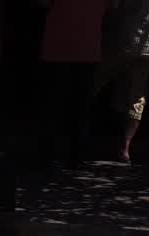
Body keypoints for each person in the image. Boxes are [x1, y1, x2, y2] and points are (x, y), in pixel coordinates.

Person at [89, 0, 149, 162]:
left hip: (127, 37)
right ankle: (125, 146)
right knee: (137, 94)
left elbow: (113, 6)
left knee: (96, 82)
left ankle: (78, 128)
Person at [36, 0, 109, 168]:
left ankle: (45, 156)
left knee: (52, 105)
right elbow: (113, 6)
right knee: (81, 107)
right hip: (88, 48)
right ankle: (76, 156)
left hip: (57, 47)